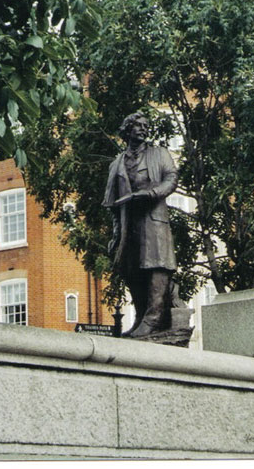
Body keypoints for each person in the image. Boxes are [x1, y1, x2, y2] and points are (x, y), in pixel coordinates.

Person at [103, 112, 178, 338]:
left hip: (153, 220)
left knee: (156, 266)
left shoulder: (159, 154)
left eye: (146, 126)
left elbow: (171, 179)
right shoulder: (117, 164)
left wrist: (150, 193)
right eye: (138, 126)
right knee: (132, 269)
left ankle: (153, 318)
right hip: (129, 223)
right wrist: (115, 237)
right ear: (128, 130)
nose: (144, 129)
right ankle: (140, 317)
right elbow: (113, 205)